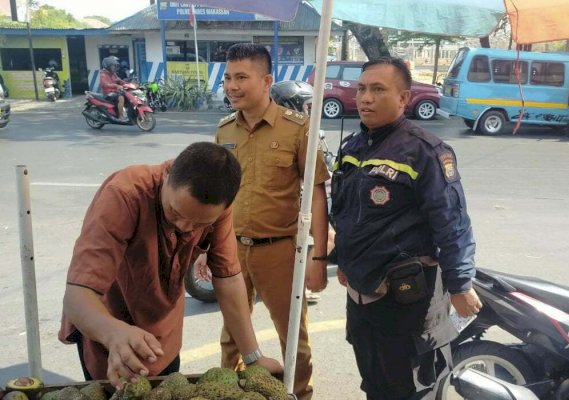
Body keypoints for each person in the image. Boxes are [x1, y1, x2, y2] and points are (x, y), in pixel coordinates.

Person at [59, 142, 282, 389]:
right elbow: (77, 296)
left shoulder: (218, 209)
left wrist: (253, 357)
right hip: (106, 331)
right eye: (175, 213)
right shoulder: (124, 195)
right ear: (167, 176)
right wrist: (114, 333)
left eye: (199, 224)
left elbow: (228, 278)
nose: (185, 227)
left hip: (164, 336)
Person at [329, 57, 482, 400]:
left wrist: (459, 284)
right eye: (362, 88)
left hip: (406, 300)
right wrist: (342, 259)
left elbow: (452, 222)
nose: (365, 98)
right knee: (373, 382)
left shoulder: (424, 151)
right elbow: (346, 211)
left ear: (403, 98)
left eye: (378, 89)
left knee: (411, 389)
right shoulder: (353, 147)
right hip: (361, 294)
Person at [215, 43, 330, 400]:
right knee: (232, 335)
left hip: (279, 250)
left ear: (266, 81)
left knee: (293, 337)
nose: (232, 86)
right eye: (228, 78)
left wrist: (319, 256)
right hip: (232, 249)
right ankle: (229, 392)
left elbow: (316, 192)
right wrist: (207, 248)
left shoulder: (298, 129)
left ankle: (299, 395)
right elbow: (217, 195)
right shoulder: (224, 131)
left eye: (241, 78)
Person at [99, 56, 127, 122]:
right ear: (107, 66)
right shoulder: (103, 74)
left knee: (127, 95)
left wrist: (128, 84)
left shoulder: (113, 74)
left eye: (114, 66)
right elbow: (106, 85)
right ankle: (121, 116)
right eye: (112, 66)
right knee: (121, 97)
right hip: (108, 94)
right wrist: (116, 86)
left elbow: (120, 81)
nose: (114, 67)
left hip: (115, 92)